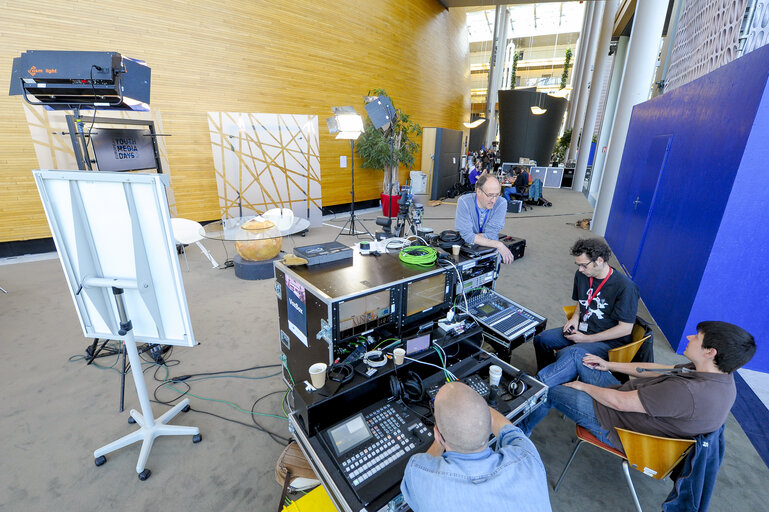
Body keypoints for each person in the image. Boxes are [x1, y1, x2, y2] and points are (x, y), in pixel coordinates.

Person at [520, 321, 756, 451]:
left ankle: (519, 430)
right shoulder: (713, 373)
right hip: (625, 403)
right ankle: (525, 394)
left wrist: (584, 387)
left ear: (710, 352)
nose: (689, 339)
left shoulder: (688, 392)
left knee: (549, 392)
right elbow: (654, 369)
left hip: (617, 426)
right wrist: (608, 364)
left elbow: (619, 403)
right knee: (578, 356)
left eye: (696, 338)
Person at [400, 382, 552, 512]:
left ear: (438, 435)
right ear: (489, 422)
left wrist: (441, 437)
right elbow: (507, 428)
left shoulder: (419, 474)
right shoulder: (527, 458)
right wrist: (472, 406)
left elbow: (424, 464)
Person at [533, 238, 640, 371]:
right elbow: (583, 300)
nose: (580, 269)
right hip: (584, 329)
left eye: (584, 265)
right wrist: (575, 318)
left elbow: (625, 329)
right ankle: (545, 378)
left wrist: (586, 339)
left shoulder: (626, 287)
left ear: (600, 260)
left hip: (609, 342)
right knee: (541, 339)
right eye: (578, 265)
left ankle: (553, 382)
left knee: (567, 354)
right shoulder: (582, 274)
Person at [454, 174, 514, 263]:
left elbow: (492, 234)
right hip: (468, 252)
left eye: (497, 195)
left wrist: (471, 237)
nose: (494, 200)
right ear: (478, 191)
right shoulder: (464, 201)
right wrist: (499, 244)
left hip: (486, 248)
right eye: (490, 195)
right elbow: (467, 235)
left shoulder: (501, 203)